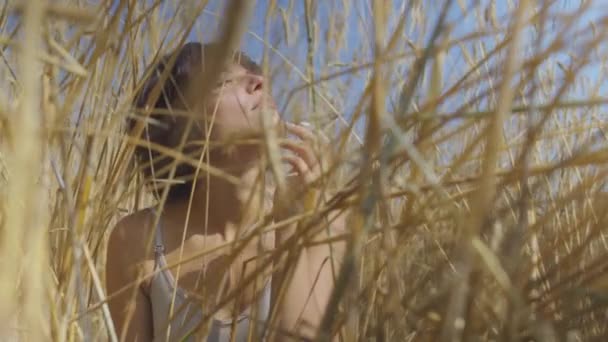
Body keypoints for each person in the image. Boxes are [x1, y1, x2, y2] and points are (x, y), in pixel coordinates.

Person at [105, 41, 346, 342]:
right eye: (221, 81)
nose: (260, 82)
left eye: (256, 75)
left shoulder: (325, 215)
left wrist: (292, 230)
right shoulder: (136, 240)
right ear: (180, 128)